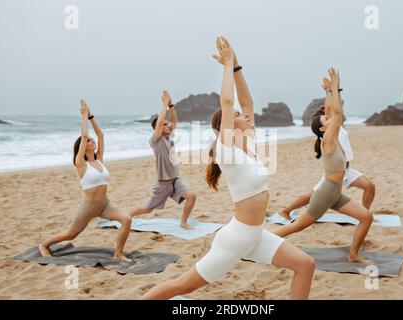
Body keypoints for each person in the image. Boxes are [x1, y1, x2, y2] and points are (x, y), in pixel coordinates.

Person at [141, 37, 315, 300]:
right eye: (236, 115)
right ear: (227, 126)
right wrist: (226, 64)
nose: (244, 115)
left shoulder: (249, 143)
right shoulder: (226, 151)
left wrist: (237, 68)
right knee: (182, 286)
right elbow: (227, 101)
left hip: (256, 235)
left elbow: (247, 103)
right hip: (235, 240)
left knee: (306, 265)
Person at [274, 69, 374, 265]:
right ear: (322, 129)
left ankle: (353, 254)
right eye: (325, 120)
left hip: (335, 192)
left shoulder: (332, 136)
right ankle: (258, 242)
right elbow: (336, 113)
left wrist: (330, 91)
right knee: (297, 227)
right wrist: (335, 87)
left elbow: (332, 112)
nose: (328, 119)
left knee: (366, 217)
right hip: (327, 192)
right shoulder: (327, 141)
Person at [39, 100, 132, 261]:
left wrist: (91, 116)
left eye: (91, 139)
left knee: (127, 219)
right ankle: (44, 245)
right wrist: (83, 116)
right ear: (82, 146)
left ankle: (118, 254)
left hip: (105, 204)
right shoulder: (80, 163)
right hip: (89, 206)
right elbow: (83, 136)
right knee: (71, 234)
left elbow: (101, 135)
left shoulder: (100, 159)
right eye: (89, 140)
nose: (92, 140)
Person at [280, 104, 376, 220]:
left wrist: (335, 89)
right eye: (325, 116)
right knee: (312, 195)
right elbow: (334, 110)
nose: (328, 116)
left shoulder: (337, 127)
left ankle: (364, 213)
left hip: (346, 170)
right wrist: (331, 90)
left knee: (369, 186)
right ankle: (287, 210)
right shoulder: (331, 132)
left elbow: (336, 110)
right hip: (334, 174)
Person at [129, 91, 196, 230]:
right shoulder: (156, 140)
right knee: (147, 209)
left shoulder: (169, 137)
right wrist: (164, 104)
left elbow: (175, 120)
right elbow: (159, 122)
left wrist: (171, 104)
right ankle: (126, 216)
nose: (168, 126)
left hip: (175, 181)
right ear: (158, 129)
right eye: (165, 125)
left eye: (168, 125)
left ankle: (183, 222)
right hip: (162, 184)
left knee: (192, 196)